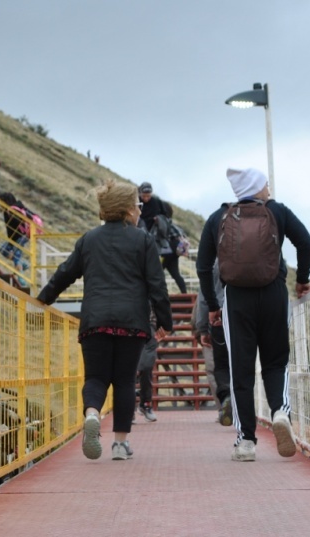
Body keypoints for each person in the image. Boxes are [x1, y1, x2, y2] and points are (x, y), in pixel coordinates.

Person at [37, 179, 172, 461]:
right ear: (126, 210)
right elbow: (156, 285)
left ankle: (92, 415)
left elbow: (65, 273)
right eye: (135, 206)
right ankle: (120, 445)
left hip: (95, 322)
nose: (138, 211)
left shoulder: (89, 239)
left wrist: (43, 298)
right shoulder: (143, 240)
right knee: (124, 381)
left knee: (96, 377)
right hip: (132, 323)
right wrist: (164, 322)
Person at [196, 167, 310, 462]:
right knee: (276, 362)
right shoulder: (277, 211)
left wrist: (212, 304)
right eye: (265, 184)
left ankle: (246, 440)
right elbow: (306, 243)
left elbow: (202, 265)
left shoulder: (218, 217)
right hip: (274, 294)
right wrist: (302, 279)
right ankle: (279, 412)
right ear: (256, 188)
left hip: (236, 300)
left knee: (241, 370)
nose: (269, 189)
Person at [194, 265, 232, 426]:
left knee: (218, 368)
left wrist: (202, 329)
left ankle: (224, 405)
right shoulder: (243, 253)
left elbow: (203, 300)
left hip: (218, 320)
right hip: (245, 317)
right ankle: (243, 409)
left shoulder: (211, 263)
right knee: (241, 366)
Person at [136, 308, 159, 422]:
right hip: (127, 325)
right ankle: (128, 410)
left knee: (146, 367)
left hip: (149, 325)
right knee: (128, 369)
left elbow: (160, 299)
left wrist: (164, 324)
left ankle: (146, 404)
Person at [160, 201, 187, 293]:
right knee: (175, 273)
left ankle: (161, 292)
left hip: (166, 251)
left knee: (158, 271)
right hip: (175, 251)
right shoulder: (171, 222)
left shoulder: (162, 221)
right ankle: (184, 293)